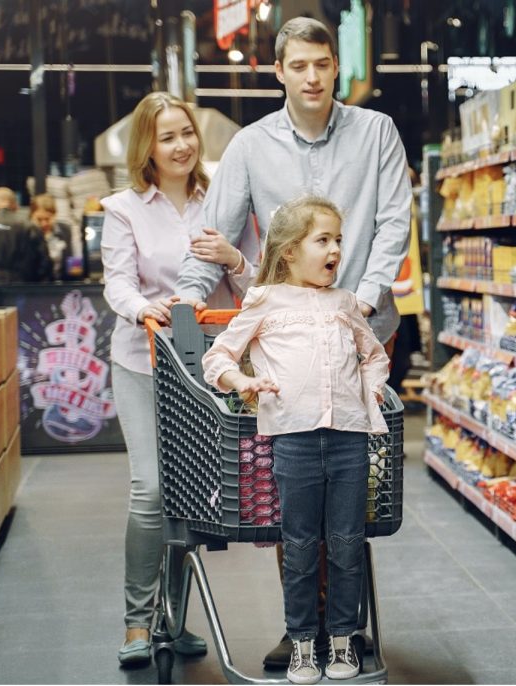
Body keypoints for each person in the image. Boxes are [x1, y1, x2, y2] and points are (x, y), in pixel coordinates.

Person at [174, 15, 411, 669]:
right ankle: (303, 628)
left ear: (337, 67)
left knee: (355, 489)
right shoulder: (251, 147)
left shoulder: (377, 132)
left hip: (362, 325)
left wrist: (360, 297)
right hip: (282, 340)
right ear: (278, 71)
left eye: (322, 63)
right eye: (298, 65)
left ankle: (343, 626)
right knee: (293, 488)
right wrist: (184, 302)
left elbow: (394, 219)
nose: (312, 76)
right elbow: (215, 235)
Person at [202, 195, 389, 685]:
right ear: (288, 252)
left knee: (347, 545)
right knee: (302, 546)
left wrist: (369, 392)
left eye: (338, 241)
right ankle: (304, 644)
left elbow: (373, 356)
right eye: (322, 240)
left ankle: (344, 637)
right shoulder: (265, 301)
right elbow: (218, 357)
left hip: (350, 438)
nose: (335, 250)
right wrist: (242, 383)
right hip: (293, 440)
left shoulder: (345, 303)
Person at [100, 91, 254, 668]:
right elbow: (116, 283)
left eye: (187, 132)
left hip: (205, 369)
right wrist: (143, 306)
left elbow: (257, 284)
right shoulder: (123, 208)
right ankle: (137, 622)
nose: (182, 144)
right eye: (167, 136)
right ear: (148, 145)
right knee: (152, 489)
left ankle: (174, 619)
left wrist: (234, 258)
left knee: (188, 495)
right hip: (143, 363)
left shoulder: (224, 203)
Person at [28, 193, 70, 279]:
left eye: (48, 219)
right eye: (39, 219)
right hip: (35, 284)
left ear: (55, 214)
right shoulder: (27, 233)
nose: (44, 224)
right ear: (32, 216)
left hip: (62, 283)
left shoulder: (64, 230)